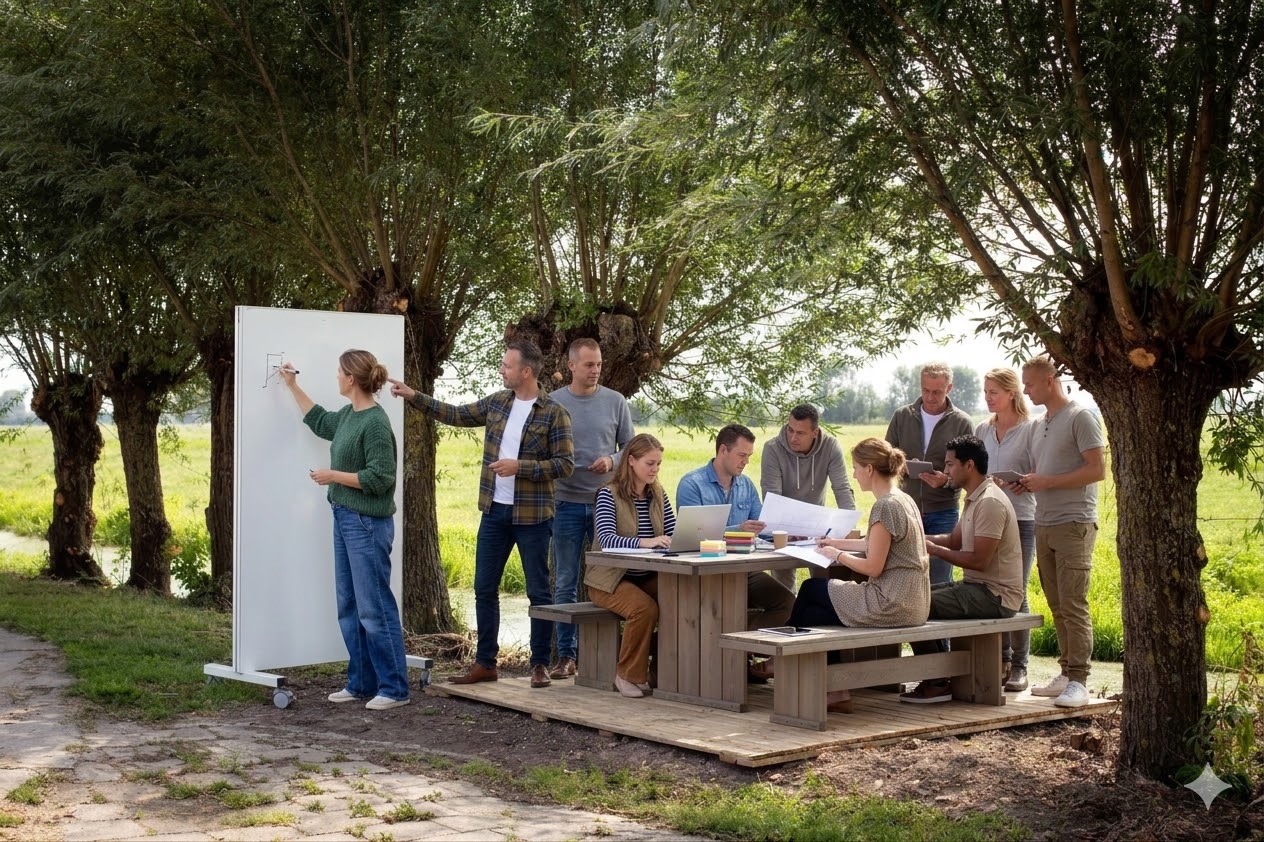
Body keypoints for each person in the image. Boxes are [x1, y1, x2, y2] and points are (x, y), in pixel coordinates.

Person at [387, 340, 574, 689]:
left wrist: (522, 467)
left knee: (538, 591)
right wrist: (415, 396)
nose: (502, 370)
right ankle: (486, 664)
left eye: (507, 365)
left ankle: (539, 665)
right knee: (484, 589)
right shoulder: (497, 403)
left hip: (533, 518)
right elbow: (456, 415)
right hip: (494, 513)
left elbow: (565, 465)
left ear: (526, 371)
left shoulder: (554, 413)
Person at [278, 351, 410, 711]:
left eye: (339, 372)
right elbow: (320, 421)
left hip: (366, 523)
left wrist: (333, 476)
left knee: (374, 607)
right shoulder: (350, 416)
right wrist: (293, 385)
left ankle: (395, 689)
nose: (336, 377)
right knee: (349, 606)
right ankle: (362, 683)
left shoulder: (375, 423)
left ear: (351, 379)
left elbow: (381, 479)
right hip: (345, 518)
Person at [791, 437, 931, 713]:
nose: (853, 474)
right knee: (815, 617)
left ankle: (786, 663)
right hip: (914, 602)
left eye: (855, 467)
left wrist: (836, 556)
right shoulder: (903, 500)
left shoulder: (885, 507)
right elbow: (876, 544)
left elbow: (873, 567)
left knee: (810, 589)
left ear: (869, 469)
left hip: (889, 602)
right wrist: (836, 543)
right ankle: (835, 690)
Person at [1009, 355, 1105, 709]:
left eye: (1030, 384)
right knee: (1056, 604)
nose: (1026, 390)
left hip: (1074, 523)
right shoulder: (1038, 424)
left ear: (1050, 380)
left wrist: (1047, 481)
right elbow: (1040, 471)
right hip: (1043, 522)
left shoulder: (1081, 417)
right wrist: (1027, 483)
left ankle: (1079, 681)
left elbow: (1097, 470)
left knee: (1073, 602)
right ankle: (1066, 674)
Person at [899, 435, 1023, 703]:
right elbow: (954, 541)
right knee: (913, 598)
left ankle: (937, 681)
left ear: (969, 465)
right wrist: (915, 537)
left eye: (950, 465)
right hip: (977, 589)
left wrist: (932, 550)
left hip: (994, 596)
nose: (945, 472)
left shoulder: (990, 502)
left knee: (912, 603)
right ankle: (938, 677)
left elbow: (979, 561)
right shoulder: (975, 497)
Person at [546, 338, 635, 680]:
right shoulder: (554, 403)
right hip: (565, 503)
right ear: (571, 366)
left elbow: (630, 446)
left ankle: (602, 656)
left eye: (598, 364)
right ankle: (566, 657)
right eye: (588, 364)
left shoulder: (616, 401)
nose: (595, 370)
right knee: (566, 581)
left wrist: (611, 459)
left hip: (606, 505)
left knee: (609, 579)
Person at [676, 424, 796, 631]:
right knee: (717, 609)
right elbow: (692, 535)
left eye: (749, 456)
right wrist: (738, 530)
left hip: (744, 571)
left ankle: (736, 639)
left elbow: (762, 526)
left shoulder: (746, 485)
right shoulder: (692, 484)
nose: (746, 462)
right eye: (742, 455)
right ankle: (727, 642)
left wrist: (790, 535)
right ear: (723, 450)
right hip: (706, 573)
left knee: (788, 603)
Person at [587, 433, 675, 698]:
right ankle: (626, 674)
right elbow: (607, 540)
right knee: (643, 608)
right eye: (650, 463)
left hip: (646, 575)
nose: (655, 469)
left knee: (684, 597)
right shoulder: (608, 494)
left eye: (658, 464)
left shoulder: (658, 493)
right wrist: (647, 543)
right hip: (607, 580)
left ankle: (662, 671)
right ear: (631, 461)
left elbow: (672, 531)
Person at [884, 362, 975, 586]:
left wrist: (947, 480)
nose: (930, 397)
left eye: (937, 392)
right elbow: (886, 458)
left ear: (949, 388)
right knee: (904, 577)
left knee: (940, 581)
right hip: (906, 509)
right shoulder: (901, 416)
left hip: (943, 511)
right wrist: (902, 466)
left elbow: (969, 472)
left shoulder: (962, 422)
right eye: (925, 390)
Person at [977, 367, 1038, 692]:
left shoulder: (1031, 429)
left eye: (993, 392)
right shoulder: (982, 430)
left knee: (1017, 590)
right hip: (986, 521)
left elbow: (1040, 472)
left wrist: (1024, 483)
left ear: (1012, 393)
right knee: (986, 589)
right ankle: (996, 661)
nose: (987, 397)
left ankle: (1019, 667)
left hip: (1022, 519)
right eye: (985, 391)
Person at [760, 403, 857, 591]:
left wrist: (848, 525)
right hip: (783, 528)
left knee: (823, 584)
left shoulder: (830, 446)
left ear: (815, 432)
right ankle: (787, 618)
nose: (793, 437)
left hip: (818, 529)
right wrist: (785, 530)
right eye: (790, 430)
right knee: (783, 589)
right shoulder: (772, 448)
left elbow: (842, 489)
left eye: (801, 433)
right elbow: (772, 497)